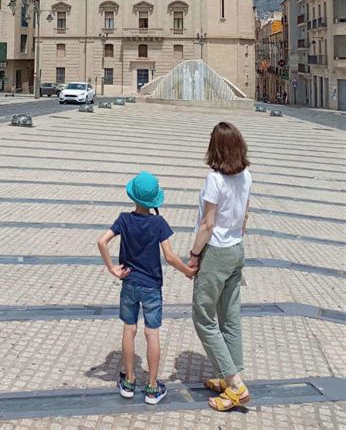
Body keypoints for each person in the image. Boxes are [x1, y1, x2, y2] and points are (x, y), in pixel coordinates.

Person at [98, 170, 196, 405]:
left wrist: (113, 268)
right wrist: (188, 271)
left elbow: (102, 241)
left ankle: (129, 381)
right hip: (151, 286)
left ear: (133, 197)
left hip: (129, 283)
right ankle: (152, 387)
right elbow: (170, 257)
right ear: (154, 200)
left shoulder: (124, 219)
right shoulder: (159, 222)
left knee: (129, 329)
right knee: (151, 333)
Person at [187, 122, 252, 412]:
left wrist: (194, 254)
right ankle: (231, 377)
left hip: (216, 252)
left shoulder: (215, 179)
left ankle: (235, 383)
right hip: (236, 249)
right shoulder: (246, 176)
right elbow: (245, 215)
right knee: (229, 317)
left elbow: (207, 224)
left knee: (203, 317)